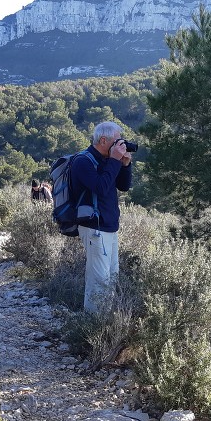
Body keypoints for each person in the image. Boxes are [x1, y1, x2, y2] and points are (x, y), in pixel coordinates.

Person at [69, 121, 133, 313]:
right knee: (99, 280)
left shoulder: (107, 160)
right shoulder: (83, 161)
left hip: (109, 227)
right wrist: (114, 161)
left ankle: (104, 320)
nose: (120, 144)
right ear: (103, 140)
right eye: (117, 141)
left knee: (111, 277)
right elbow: (100, 187)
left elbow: (123, 186)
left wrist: (125, 164)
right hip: (94, 228)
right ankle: (93, 323)